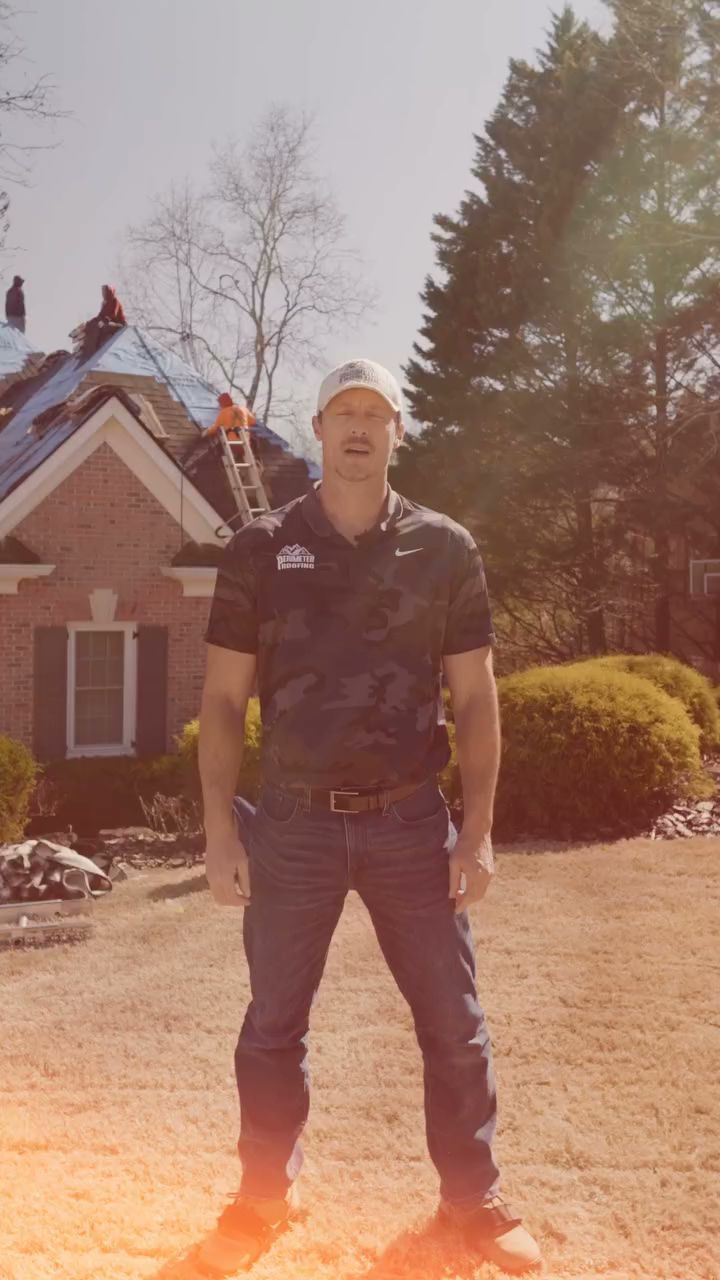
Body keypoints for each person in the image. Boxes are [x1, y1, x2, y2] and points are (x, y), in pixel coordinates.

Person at [198, 358, 542, 1276]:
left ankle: (472, 1198)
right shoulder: (262, 548)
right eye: (342, 412)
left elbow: (476, 696)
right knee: (273, 1024)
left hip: (408, 823)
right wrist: (220, 831)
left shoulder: (445, 548)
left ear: (397, 431)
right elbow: (224, 700)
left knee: (454, 1022)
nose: (358, 427)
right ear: (317, 429)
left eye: (375, 414)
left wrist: (477, 831)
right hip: (293, 827)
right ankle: (261, 1199)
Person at [80, 284, 127, 358]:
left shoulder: (114, 301)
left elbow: (113, 314)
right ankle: (87, 349)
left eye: (104, 292)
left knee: (101, 328)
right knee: (93, 326)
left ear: (109, 292)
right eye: (102, 292)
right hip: (108, 323)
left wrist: (105, 320)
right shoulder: (105, 303)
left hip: (118, 324)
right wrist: (91, 322)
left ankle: (95, 348)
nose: (103, 294)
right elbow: (100, 315)